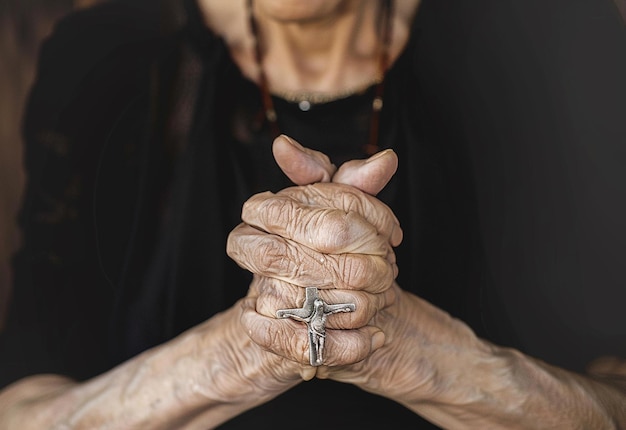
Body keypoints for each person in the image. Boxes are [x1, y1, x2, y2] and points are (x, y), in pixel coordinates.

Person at [1, 0, 625, 428]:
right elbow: (23, 412)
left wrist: (409, 349)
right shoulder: (108, 54)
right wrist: (246, 351)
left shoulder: (549, 31)